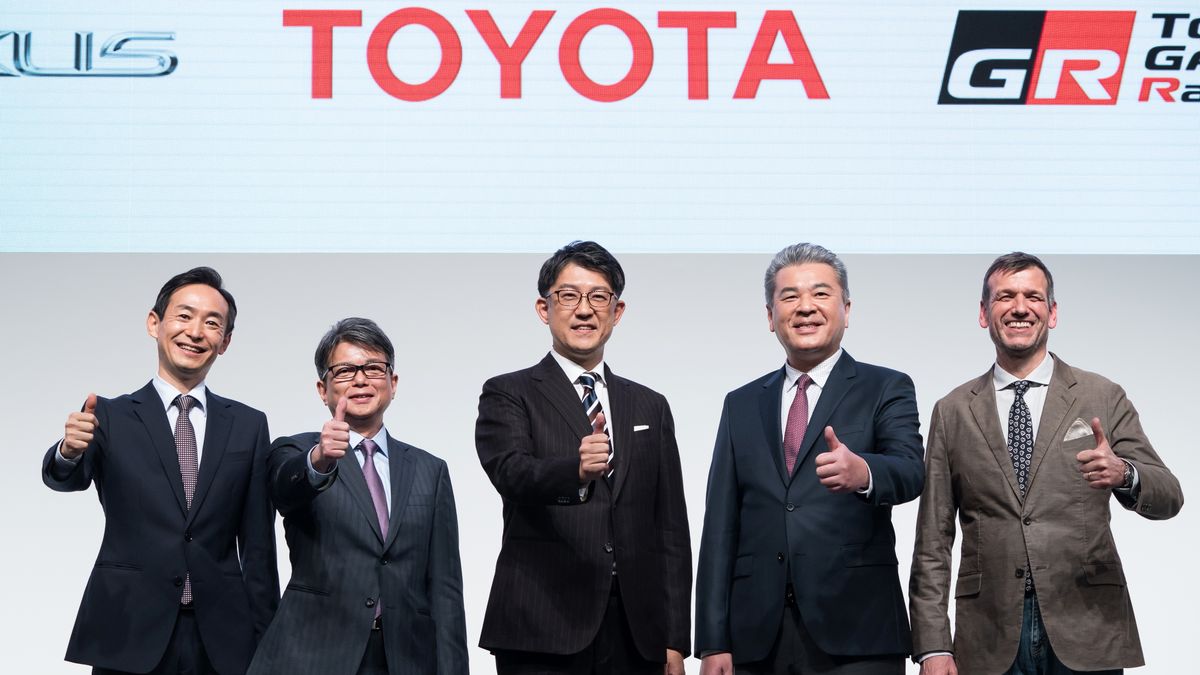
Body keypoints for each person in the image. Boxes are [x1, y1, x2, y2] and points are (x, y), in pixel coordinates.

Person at [909, 252, 1184, 675]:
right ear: (984, 314)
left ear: (1051, 313)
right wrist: (932, 646)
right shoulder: (953, 410)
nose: (1020, 307)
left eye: (1033, 297)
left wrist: (1125, 474)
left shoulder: (1102, 395)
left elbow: (1169, 495)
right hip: (988, 635)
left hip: (1088, 625)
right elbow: (933, 540)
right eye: (1005, 297)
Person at [695, 243, 924, 675]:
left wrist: (864, 472)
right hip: (755, 640)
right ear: (770, 316)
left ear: (846, 308)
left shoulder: (886, 386)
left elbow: (912, 471)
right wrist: (711, 641)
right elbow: (720, 525)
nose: (805, 308)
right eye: (789, 296)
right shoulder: (741, 403)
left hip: (858, 634)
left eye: (820, 294)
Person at [42, 266, 279, 675]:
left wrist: (269, 641)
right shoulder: (111, 415)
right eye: (184, 316)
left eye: (211, 323)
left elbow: (258, 547)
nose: (195, 331)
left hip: (222, 640)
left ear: (225, 342)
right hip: (128, 630)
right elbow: (65, 478)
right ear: (155, 323)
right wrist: (68, 451)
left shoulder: (249, 425)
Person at [475, 241, 692, 675]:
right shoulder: (509, 392)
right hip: (541, 626)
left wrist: (674, 639)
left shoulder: (650, 405)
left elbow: (669, 527)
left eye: (598, 297)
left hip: (636, 633)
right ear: (544, 308)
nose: (584, 310)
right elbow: (511, 472)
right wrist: (573, 471)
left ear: (618, 310)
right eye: (569, 296)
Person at [248, 317, 467, 675]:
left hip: (404, 659)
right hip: (313, 656)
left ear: (393, 383)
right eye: (346, 370)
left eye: (374, 368)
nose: (362, 379)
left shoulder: (431, 469)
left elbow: (445, 589)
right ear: (323, 389)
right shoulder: (296, 449)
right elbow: (285, 490)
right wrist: (319, 460)